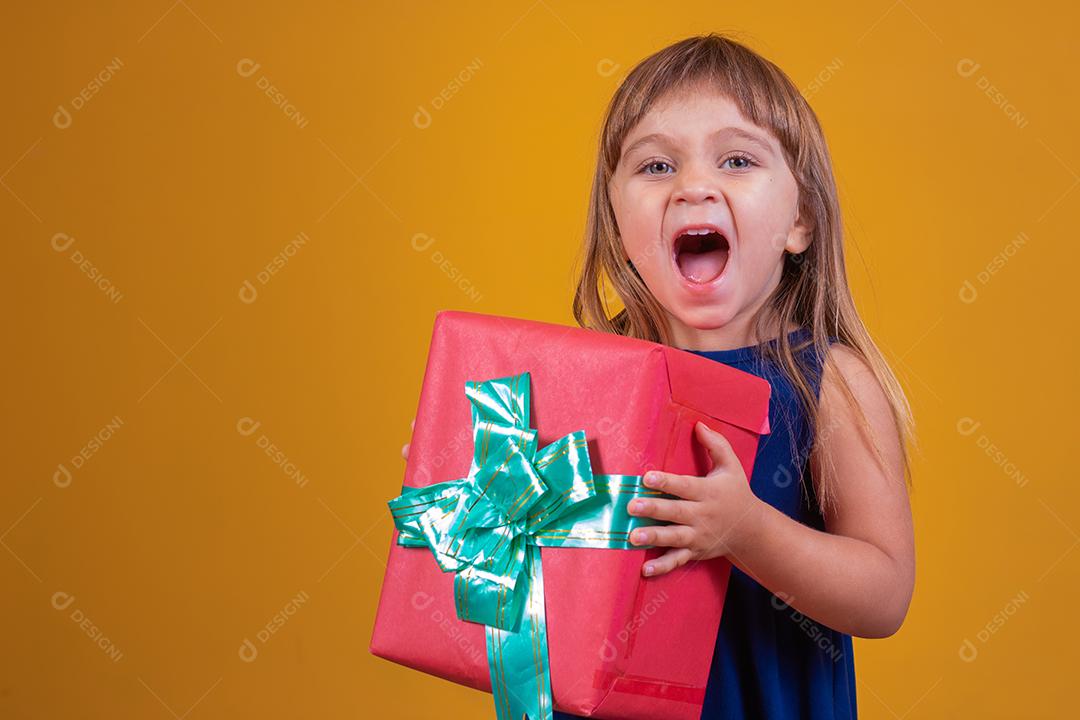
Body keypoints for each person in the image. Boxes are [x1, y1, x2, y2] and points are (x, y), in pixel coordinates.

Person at [402, 33, 915, 720]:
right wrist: (464, 487)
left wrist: (747, 531)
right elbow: (546, 561)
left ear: (800, 221)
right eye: (655, 166)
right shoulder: (587, 379)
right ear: (616, 224)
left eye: (737, 159)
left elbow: (884, 596)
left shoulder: (831, 383)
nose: (693, 186)